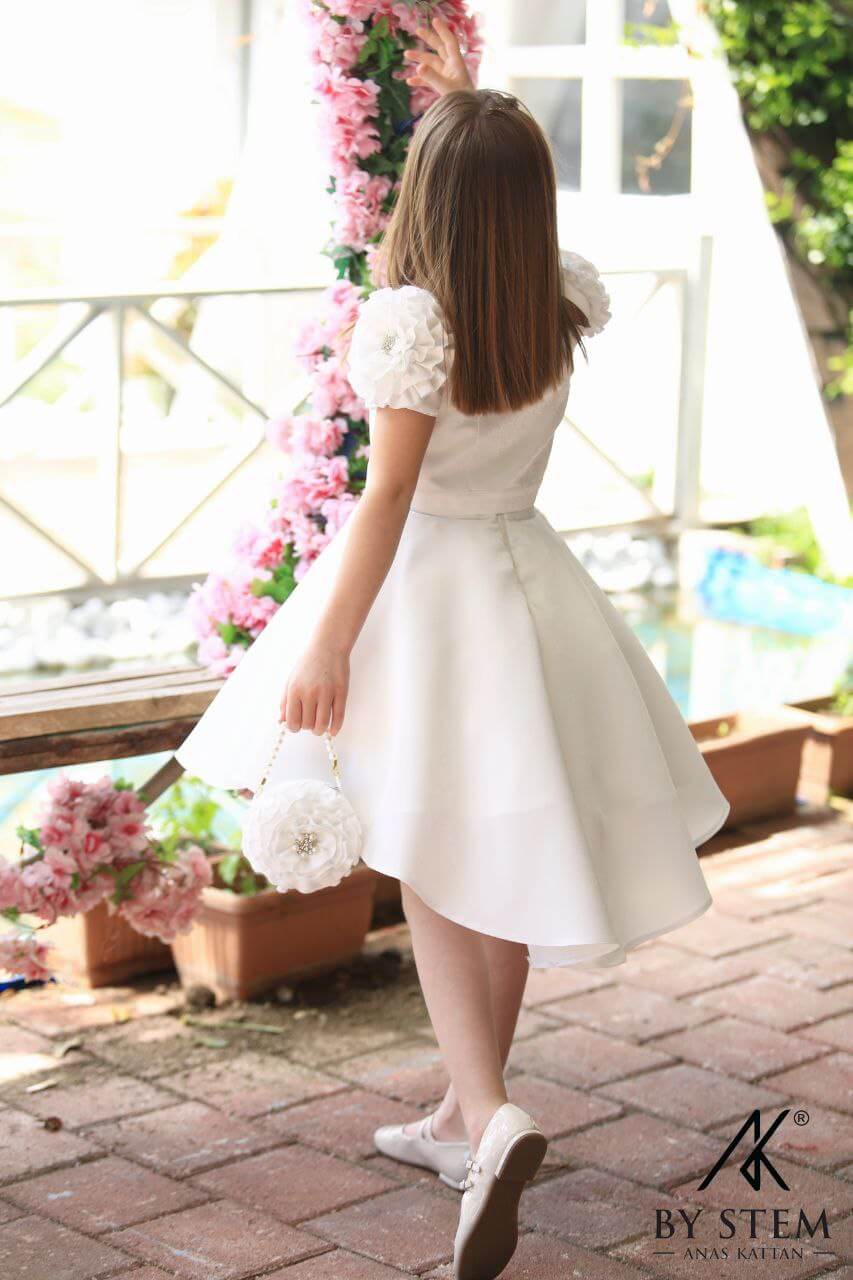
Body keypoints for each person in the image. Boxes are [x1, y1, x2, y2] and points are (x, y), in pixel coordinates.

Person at [176, 17, 729, 1280]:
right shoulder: (555, 298)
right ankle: (461, 1109)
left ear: (424, 198)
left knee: (426, 852)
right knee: (509, 847)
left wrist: (325, 643)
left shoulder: (409, 324)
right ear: (527, 204)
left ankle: (484, 1114)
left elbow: (384, 500)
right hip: (529, 581)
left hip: (428, 592)